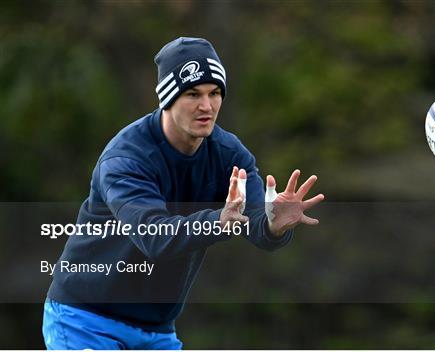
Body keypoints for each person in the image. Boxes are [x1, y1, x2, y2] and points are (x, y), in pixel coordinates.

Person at [42, 37, 324, 349]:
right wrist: (217, 221)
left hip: (157, 329)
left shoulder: (229, 154)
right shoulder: (126, 159)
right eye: (193, 94)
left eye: (214, 93)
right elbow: (154, 236)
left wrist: (273, 224)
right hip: (86, 319)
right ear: (167, 99)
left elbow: (255, 221)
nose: (207, 106)